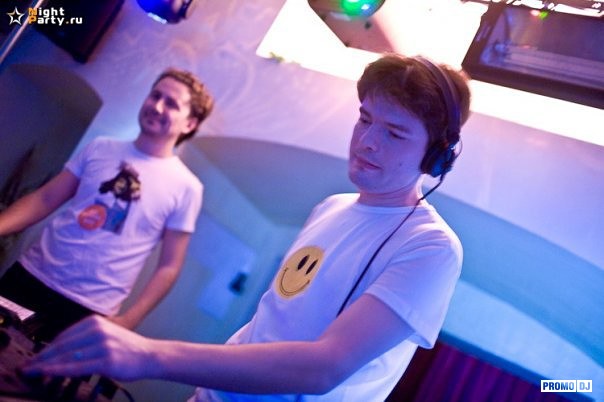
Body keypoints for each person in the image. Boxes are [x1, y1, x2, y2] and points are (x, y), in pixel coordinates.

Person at [23, 54, 471, 402]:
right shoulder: (330, 207)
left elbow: (324, 367)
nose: (367, 141)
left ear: (436, 156)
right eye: (365, 119)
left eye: (395, 132)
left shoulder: (431, 247)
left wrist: (150, 355)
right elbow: (267, 323)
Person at [0, 68, 214, 341]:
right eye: (155, 95)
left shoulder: (187, 187)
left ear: (190, 124)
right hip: (30, 276)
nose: (157, 106)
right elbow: (45, 199)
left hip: (90, 309)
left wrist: (127, 321)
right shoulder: (101, 147)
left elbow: (169, 266)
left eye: (171, 104)